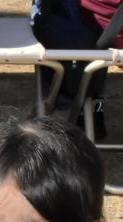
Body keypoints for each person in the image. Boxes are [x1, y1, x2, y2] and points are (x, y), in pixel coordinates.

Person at [31, 0, 123, 140]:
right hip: (110, 28)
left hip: (104, 30)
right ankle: (91, 106)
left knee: (49, 10)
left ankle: (67, 104)